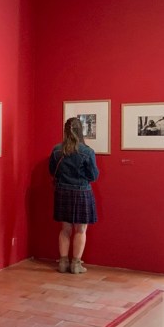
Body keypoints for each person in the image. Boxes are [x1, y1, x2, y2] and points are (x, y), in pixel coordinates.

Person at [49, 117, 99, 274]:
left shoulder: (57, 150)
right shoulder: (87, 151)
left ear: (65, 131)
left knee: (65, 229)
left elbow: (52, 171)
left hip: (62, 191)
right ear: (80, 130)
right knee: (81, 229)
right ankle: (76, 264)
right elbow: (93, 176)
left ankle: (63, 263)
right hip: (81, 192)